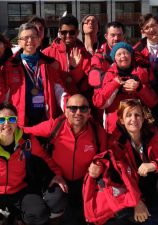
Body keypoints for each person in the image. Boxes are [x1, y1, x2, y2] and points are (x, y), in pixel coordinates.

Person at [89, 99, 158, 225]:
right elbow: (120, 177)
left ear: (143, 118)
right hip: (132, 190)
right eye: (128, 115)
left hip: (153, 187)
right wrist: (136, 202)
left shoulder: (154, 134)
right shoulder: (115, 143)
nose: (133, 119)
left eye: (137, 115)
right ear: (122, 120)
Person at [22, 94, 108, 225]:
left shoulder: (97, 131)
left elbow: (106, 155)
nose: (78, 112)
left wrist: (99, 164)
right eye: (73, 108)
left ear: (89, 112)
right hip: (59, 179)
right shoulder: (55, 126)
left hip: (84, 183)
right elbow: (24, 131)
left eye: (83, 109)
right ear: (66, 111)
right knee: (56, 201)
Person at [4, 22, 69, 126]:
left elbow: (59, 91)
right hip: (20, 121)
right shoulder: (10, 66)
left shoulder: (49, 64)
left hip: (46, 120)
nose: (30, 41)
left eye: (33, 37)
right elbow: (4, 97)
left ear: (39, 40)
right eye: (25, 38)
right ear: (19, 41)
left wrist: (70, 109)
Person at [92, 42, 158, 134]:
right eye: (119, 54)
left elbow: (153, 102)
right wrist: (115, 84)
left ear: (131, 56)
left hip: (138, 125)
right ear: (114, 59)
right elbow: (99, 102)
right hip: (115, 126)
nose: (123, 56)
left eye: (126, 53)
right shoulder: (108, 75)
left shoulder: (142, 73)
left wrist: (139, 88)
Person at [43, 15, 92, 95]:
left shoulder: (86, 55)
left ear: (77, 33)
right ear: (59, 32)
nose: (68, 36)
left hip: (76, 103)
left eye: (71, 32)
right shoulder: (47, 53)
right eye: (64, 32)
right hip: (55, 102)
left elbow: (86, 87)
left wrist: (75, 69)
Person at [88, 21, 125, 90]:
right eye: (113, 35)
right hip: (106, 96)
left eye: (119, 35)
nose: (116, 38)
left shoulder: (132, 54)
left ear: (123, 36)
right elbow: (95, 81)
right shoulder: (98, 57)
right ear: (106, 36)